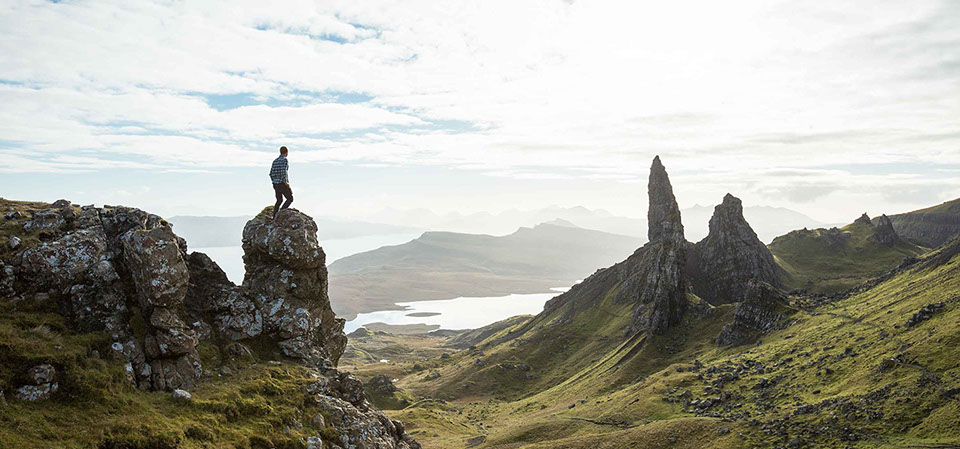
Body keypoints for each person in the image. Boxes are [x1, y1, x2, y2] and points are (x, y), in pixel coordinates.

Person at [270, 146, 293, 219]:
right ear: (287, 152)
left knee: (279, 200)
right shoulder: (284, 160)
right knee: (290, 198)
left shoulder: (275, 161)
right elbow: (284, 172)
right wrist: (286, 182)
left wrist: (274, 181)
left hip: (275, 184)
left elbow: (270, 173)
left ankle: (274, 216)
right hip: (282, 183)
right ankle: (281, 214)